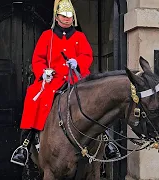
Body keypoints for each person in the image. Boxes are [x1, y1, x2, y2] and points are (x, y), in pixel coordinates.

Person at [10, 0, 120, 166]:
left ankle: (107, 142)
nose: (67, 19)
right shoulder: (47, 36)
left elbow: (87, 55)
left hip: (74, 78)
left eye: (69, 16)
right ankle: (25, 144)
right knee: (34, 96)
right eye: (63, 15)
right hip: (52, 79)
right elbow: (38, 59)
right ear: (57, 16)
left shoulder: (79, 37)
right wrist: (43, 72)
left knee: (96, 101)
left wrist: (78, 63)